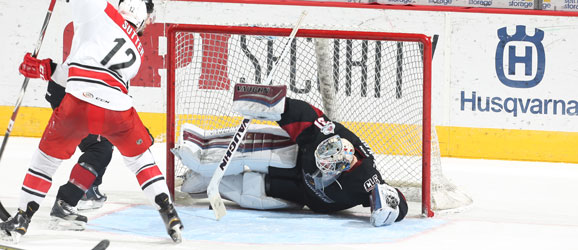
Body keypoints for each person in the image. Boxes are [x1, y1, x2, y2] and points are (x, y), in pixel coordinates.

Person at [0, 0, 183, 243]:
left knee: (46, 161)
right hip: (117, 109)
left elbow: (79, 74)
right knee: (141, 160)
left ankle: (22, 219)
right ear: (139, 20)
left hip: (78, 103)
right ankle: (169, 213)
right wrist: (45, 68)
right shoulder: (137, 50)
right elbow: (93, 70)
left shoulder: (100, 11)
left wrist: (45, 69)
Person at [176, 93, 408, 227]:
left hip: (302, 195)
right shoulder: (325, 134)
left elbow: (397, 201)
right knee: (258, 149)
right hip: (296, 157)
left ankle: (207, 181)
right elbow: (305, 114)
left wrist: (392, 207)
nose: (321, 170)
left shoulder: (365, 179)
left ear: (340, 170)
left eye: (325, 169)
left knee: (250, 193)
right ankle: (201, 148)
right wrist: (277, 104)